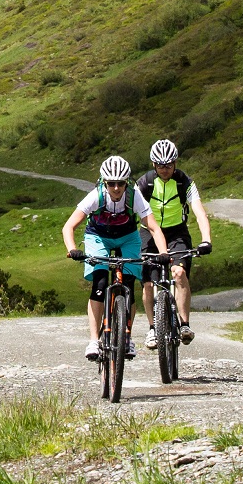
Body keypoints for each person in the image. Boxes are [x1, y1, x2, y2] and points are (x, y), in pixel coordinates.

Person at [62, 155, 170, 362]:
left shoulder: (134, 196)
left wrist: (163, 253)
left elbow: (154, 228)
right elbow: (69, 226)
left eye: (121, 183)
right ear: (104, 182)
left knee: (128, 285)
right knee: (100, 283)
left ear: (127, 182)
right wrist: (73, 249)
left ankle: (126, 337)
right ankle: (94, 340)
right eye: (111, 183)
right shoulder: (95, 196)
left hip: (128, 238)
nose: (116, 188)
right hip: (98, 237)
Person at [136, 139, 212, 349]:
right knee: (148, 284)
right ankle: (153, 328)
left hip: (177, 232)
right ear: (154, 164)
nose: (165, 169)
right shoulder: (144, 183)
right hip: (149, 232)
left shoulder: (184, 182)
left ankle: (184, 324)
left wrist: (206, 239)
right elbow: (131, 209)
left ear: (175, 163)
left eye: (169, 165)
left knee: (179, 273)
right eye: (160, 165)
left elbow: (199, 211)